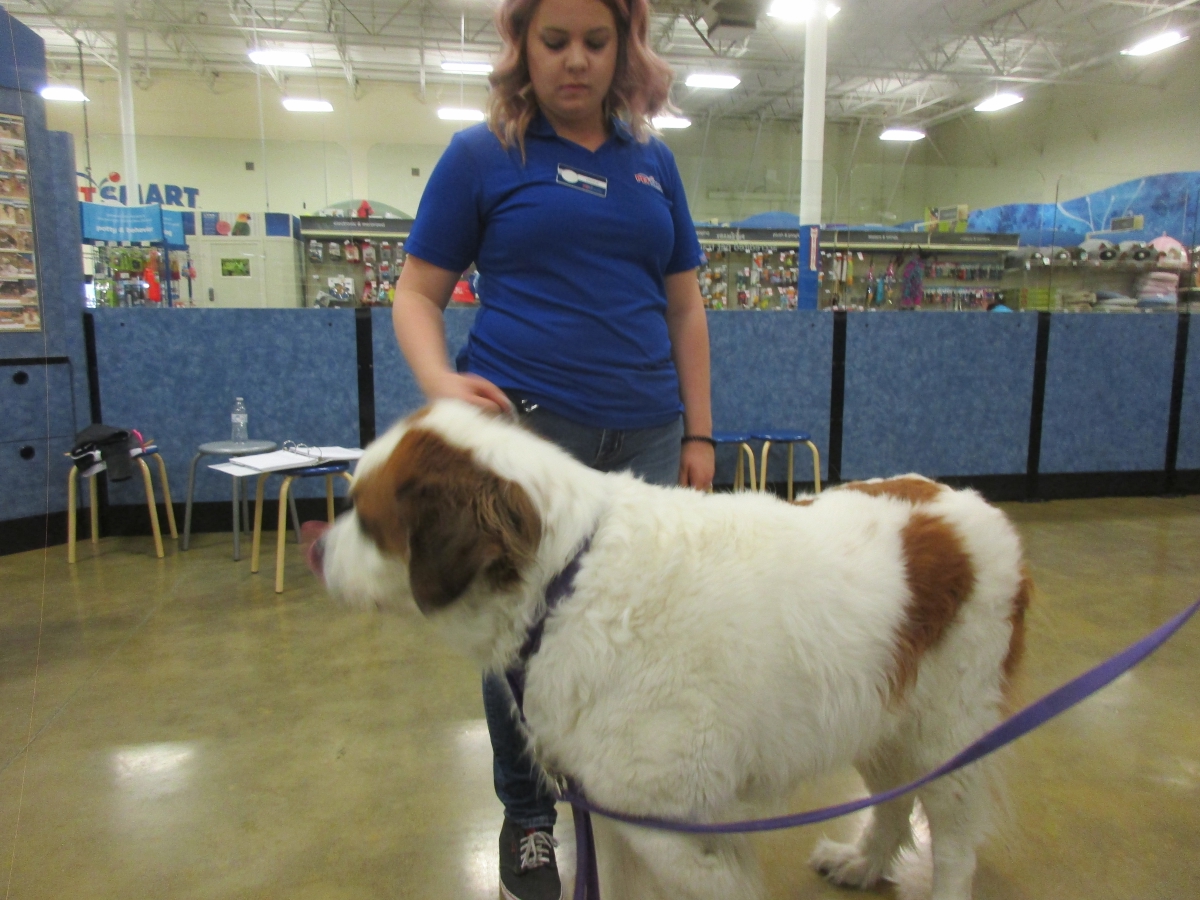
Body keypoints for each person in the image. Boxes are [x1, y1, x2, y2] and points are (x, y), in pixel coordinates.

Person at [392, 0, 714, 893]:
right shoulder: (481, 156)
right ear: (522, 49)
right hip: (529, 436)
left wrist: (699, 430)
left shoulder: (653, 163)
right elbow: (416, 293)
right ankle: (530, 819)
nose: (577, 60)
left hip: (648, 433)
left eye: (596, 42)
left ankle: (622, 801)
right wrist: (440, 381)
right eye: (556, 41)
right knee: (519, 635)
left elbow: (685, 307)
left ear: (625, 49)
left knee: (641, 628)